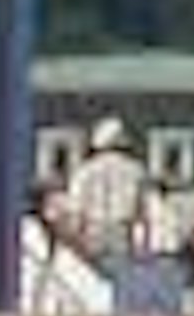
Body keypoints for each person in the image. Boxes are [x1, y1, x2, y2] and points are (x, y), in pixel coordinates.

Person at [53, 111, 151, 262]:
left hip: (92, 232)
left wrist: (74, 242)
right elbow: (142, 214)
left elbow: (75, 210)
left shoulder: (83, 171)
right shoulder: (136, 172)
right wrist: (142, 248)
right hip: (121, 233)